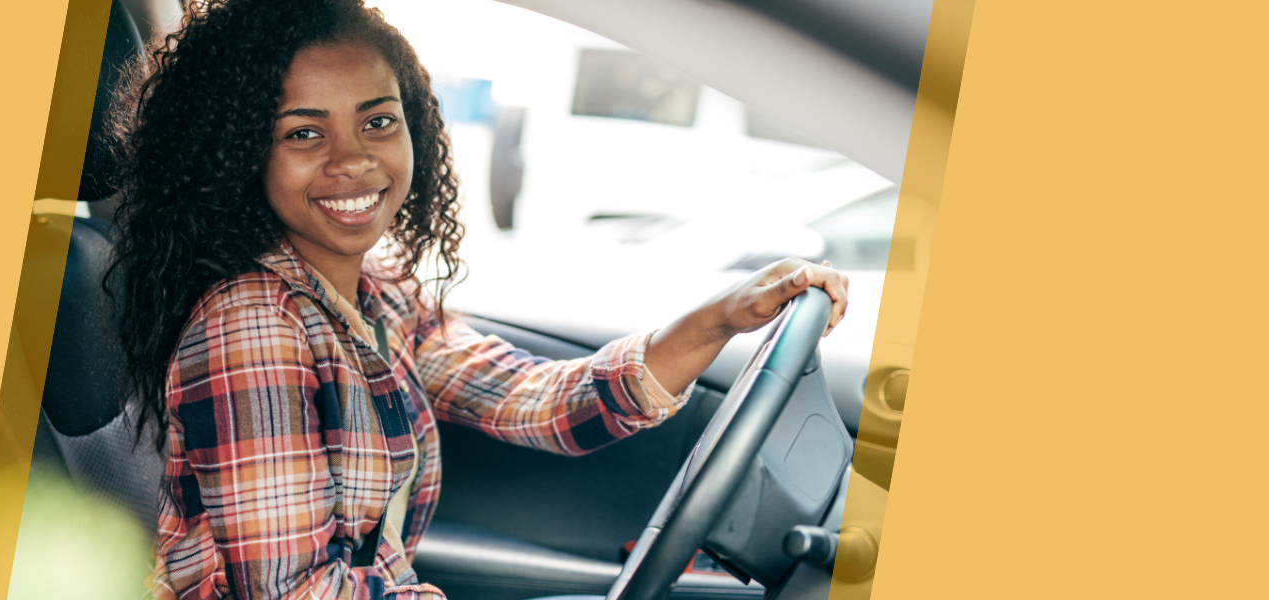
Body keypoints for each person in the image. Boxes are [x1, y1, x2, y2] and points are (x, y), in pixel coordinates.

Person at [105, 1, 849, 599]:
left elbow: (536, 400)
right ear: (240, 156)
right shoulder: (252, 323)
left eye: (377, 120)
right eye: (304, 133)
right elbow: (295, 592)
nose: (354, 158)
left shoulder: (377, 296)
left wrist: (719, 318)